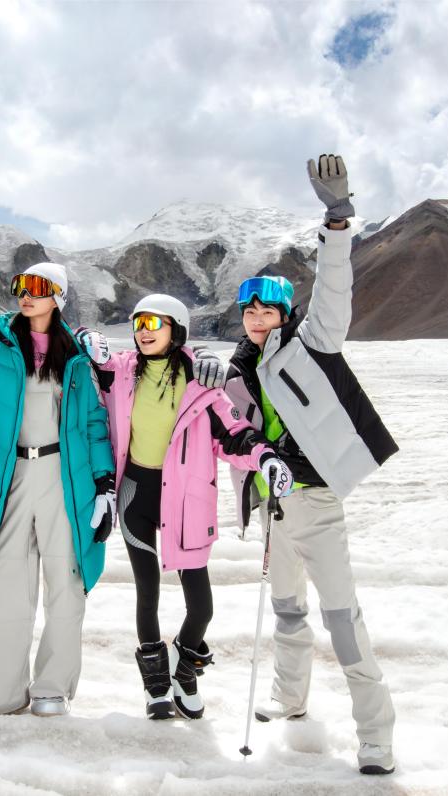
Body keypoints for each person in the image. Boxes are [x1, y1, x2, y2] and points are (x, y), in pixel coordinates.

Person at [224, 155, 400, 775]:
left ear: (285, 315)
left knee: (342, 620)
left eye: (267, 310)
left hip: (317, 501)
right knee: (288, 610)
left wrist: (337, 222)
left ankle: (375, 736)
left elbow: (333, 291)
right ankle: (290, 697)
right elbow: (234, 432)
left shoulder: (313, 344)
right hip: (274, 507)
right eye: (248, 311)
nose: (256, 319)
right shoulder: (238, 370)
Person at [76, 296, 292, 720]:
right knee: (148, 593)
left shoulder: (200, 380)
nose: (143, 331)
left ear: (176, 329)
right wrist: (86, 335)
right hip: (136, 493)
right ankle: (155, 685)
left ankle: (185, 668)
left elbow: (233, 433)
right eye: (138, 323)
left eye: (154, 323)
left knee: (201, 607)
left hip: (187, 499)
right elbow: (81, 349)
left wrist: (264, 457)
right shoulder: (120, 371)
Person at [0, 262, 115, 717]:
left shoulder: (77, 357)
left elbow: (94, 423)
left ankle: (52, 688)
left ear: (59, 297)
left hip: (63, 477)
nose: (25, 295)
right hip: (5, 477)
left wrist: (105, 484)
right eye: (21, 286)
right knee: (1, 585)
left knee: (66, 583)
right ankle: (1, 691)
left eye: (38, 288)